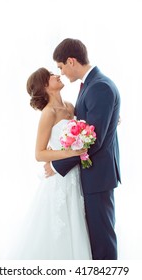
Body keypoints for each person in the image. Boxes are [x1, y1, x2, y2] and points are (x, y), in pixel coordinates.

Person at [44, 38, 121, 260]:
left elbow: (92, 140)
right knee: (95, 240)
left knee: (102, 240)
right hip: (94, 174)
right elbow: (94, 127)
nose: (62, 73)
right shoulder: (92, 84)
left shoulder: (99, 86)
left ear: (71, 61)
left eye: (61, 67)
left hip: (98, 175)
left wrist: (58, 165)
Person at [13, 67, 92, 260]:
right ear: (45, 86)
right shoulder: (48, 113)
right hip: (59, 179)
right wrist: (71, 152)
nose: (57, 75)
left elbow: (88, 130)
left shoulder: (70, 106)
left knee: (78, 223)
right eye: (50, 75)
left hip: (77, 175)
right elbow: (39, 154)